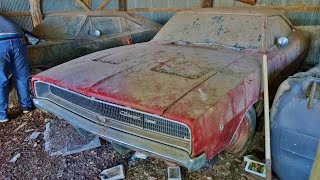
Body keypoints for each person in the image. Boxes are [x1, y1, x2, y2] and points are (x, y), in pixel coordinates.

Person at [0, 15, 33, 122]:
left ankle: (2, 115)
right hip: (18, 39)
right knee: (21, 77)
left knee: (1, 80)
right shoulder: (4, 18)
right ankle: (26, 107)